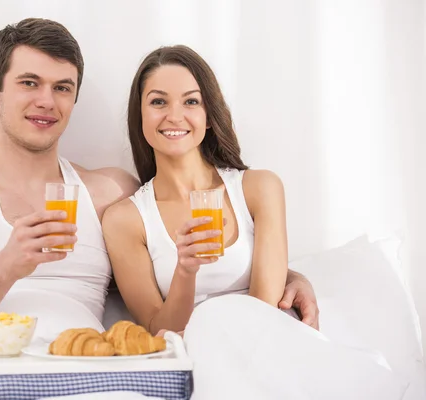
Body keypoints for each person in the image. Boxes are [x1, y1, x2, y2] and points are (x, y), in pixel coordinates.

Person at [0, 18, 319, 400]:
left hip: (89, 376)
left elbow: (164, 276)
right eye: (29, 83)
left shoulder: (110, 194)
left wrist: (287, 275)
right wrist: (6, 266)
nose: (46, 101)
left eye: (62, 88)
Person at [102, 45, 408, 399]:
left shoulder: (258, 188)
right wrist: (186, 271)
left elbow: (266, 309)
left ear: (209, 114)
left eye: (191, 102)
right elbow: (159, 332)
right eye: (158, 102)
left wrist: (293, 277)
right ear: (138, 114)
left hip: (267, 348)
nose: (174, 115)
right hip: (200, 359)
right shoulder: (126, 219)